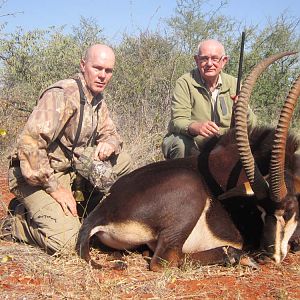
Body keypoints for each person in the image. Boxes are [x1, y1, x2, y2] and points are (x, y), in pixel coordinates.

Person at [0, 44, 132, 254]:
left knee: (123, 160)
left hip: (69, 169)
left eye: (108, 71)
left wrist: (109, 143)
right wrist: (55, 189)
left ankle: (88, 207)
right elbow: (29, 145)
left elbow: (113, 134)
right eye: (97, 68)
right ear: (83, 65)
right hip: (35, 175)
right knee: (69, 243)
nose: (102, 76)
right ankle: (17, 220)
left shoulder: (97, 99)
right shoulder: (62, 94)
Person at [162, 39, 256, 159]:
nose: (209, 63)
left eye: (215, 58)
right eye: (204, 59)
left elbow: (252, 124)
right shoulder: (185, 82)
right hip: (193, 141)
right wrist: (195, 127)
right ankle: (183, 177)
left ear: (224, 61)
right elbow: (178, 121)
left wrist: (243, 111)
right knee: (180, 143)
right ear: (196, 60)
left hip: (222, 143)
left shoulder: (234, 84)